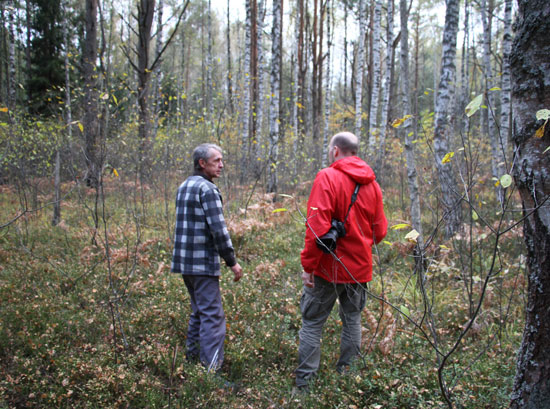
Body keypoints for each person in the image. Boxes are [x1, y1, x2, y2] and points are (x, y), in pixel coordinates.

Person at [295, 131, 388, 389]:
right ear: (355, 151)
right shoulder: (373, 185)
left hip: (328, 268)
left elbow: (315, 230)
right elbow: (380, 232)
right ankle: (347, 380)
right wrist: (358, 243)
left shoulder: (327, 177)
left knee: (313, 322)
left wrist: (308, 267)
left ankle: (305, 386)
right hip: (359, 269)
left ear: (335, 150)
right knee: (352, 321)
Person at [171, 143, 243, 372]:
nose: (221, 165)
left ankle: (192, 359)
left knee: (199, 311)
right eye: (216, 161)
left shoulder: (184, 186)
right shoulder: (208, 190)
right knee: (212, 316)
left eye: (221, 160)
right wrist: (232, 261)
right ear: (202, 163)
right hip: (202, 265)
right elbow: (219, 231)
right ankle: (210, 371)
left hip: (185, 263)